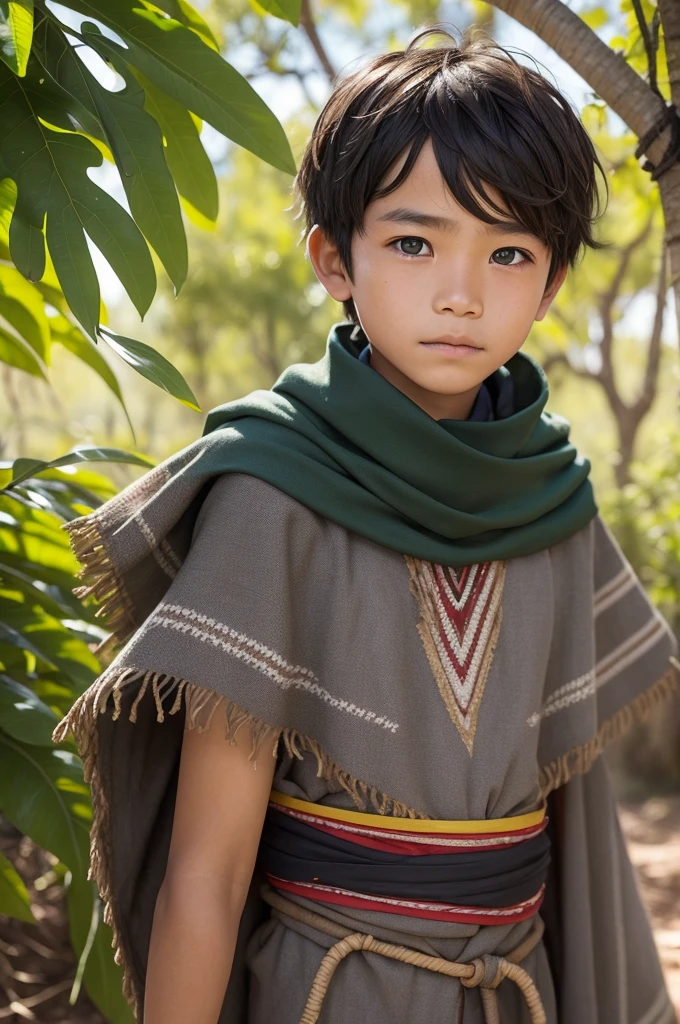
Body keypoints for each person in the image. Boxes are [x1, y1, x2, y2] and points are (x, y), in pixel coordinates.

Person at [52, 27, 679, 1024]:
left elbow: (580, 842)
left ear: (551, 282)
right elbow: (205, 877)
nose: (462, 292)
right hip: (327, 993)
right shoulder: (272, 495)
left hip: (521, 995)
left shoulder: (553, 503)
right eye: (413, 241)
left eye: (508, 250)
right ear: (333, 259)